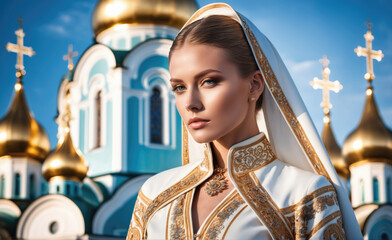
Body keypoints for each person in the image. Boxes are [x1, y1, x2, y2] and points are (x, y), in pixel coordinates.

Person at [126, 3, 362, 240]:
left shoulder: (304, 196)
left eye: (209, 81)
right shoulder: (154, 194)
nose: (190, 103)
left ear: (255, 85)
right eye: (179, 87)